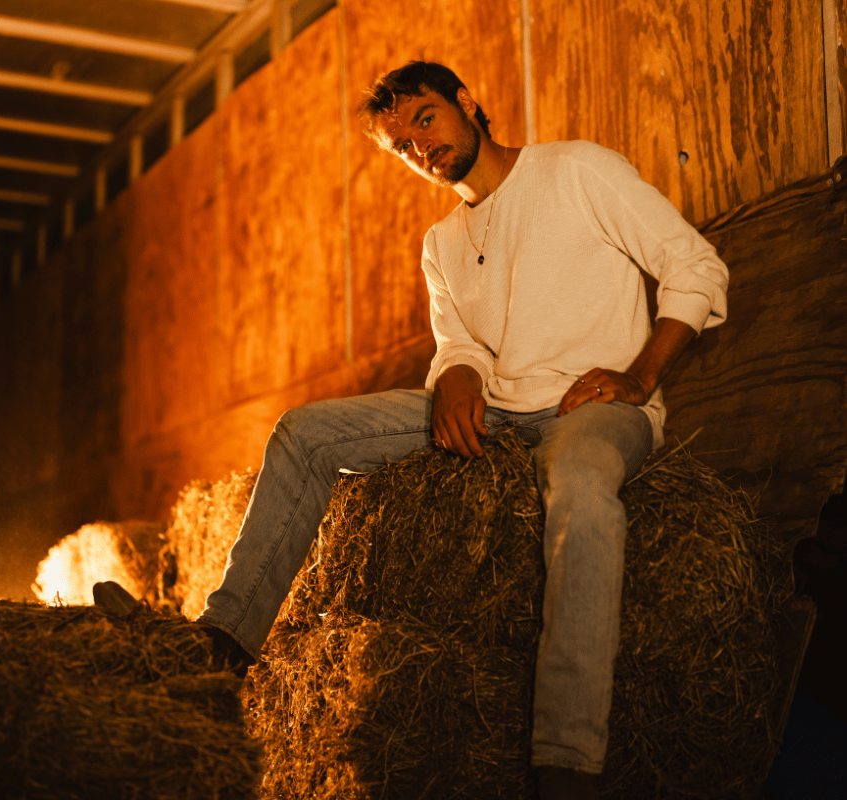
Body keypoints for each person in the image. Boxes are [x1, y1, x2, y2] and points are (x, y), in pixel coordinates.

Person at [195, 62, 729, 800]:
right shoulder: (440, 243)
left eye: (424, 119)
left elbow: (694, 265)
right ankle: (219, 651)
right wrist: (457, 374)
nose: (419, 147)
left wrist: (638, 378)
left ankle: (567, 760)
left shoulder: (577, 170)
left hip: (594, 408)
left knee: (579, 485)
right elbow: (459, 342)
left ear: (467, 105)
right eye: (400, 144)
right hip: (498, 412)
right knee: (304, 433)